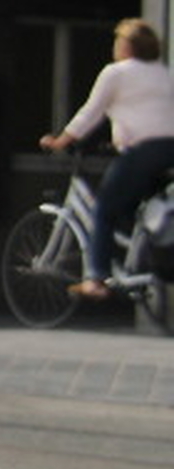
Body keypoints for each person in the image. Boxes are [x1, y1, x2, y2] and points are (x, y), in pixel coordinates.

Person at [40, 17, 174, 300]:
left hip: (143, 152)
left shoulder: (116, 73)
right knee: (137, 209)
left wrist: (61, 140)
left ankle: (96, 278)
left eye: (117, 42)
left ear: (126, 46)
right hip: (169, 151)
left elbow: (91, 112)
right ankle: (138, 263)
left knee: (103, 209)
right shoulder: (164, 73)